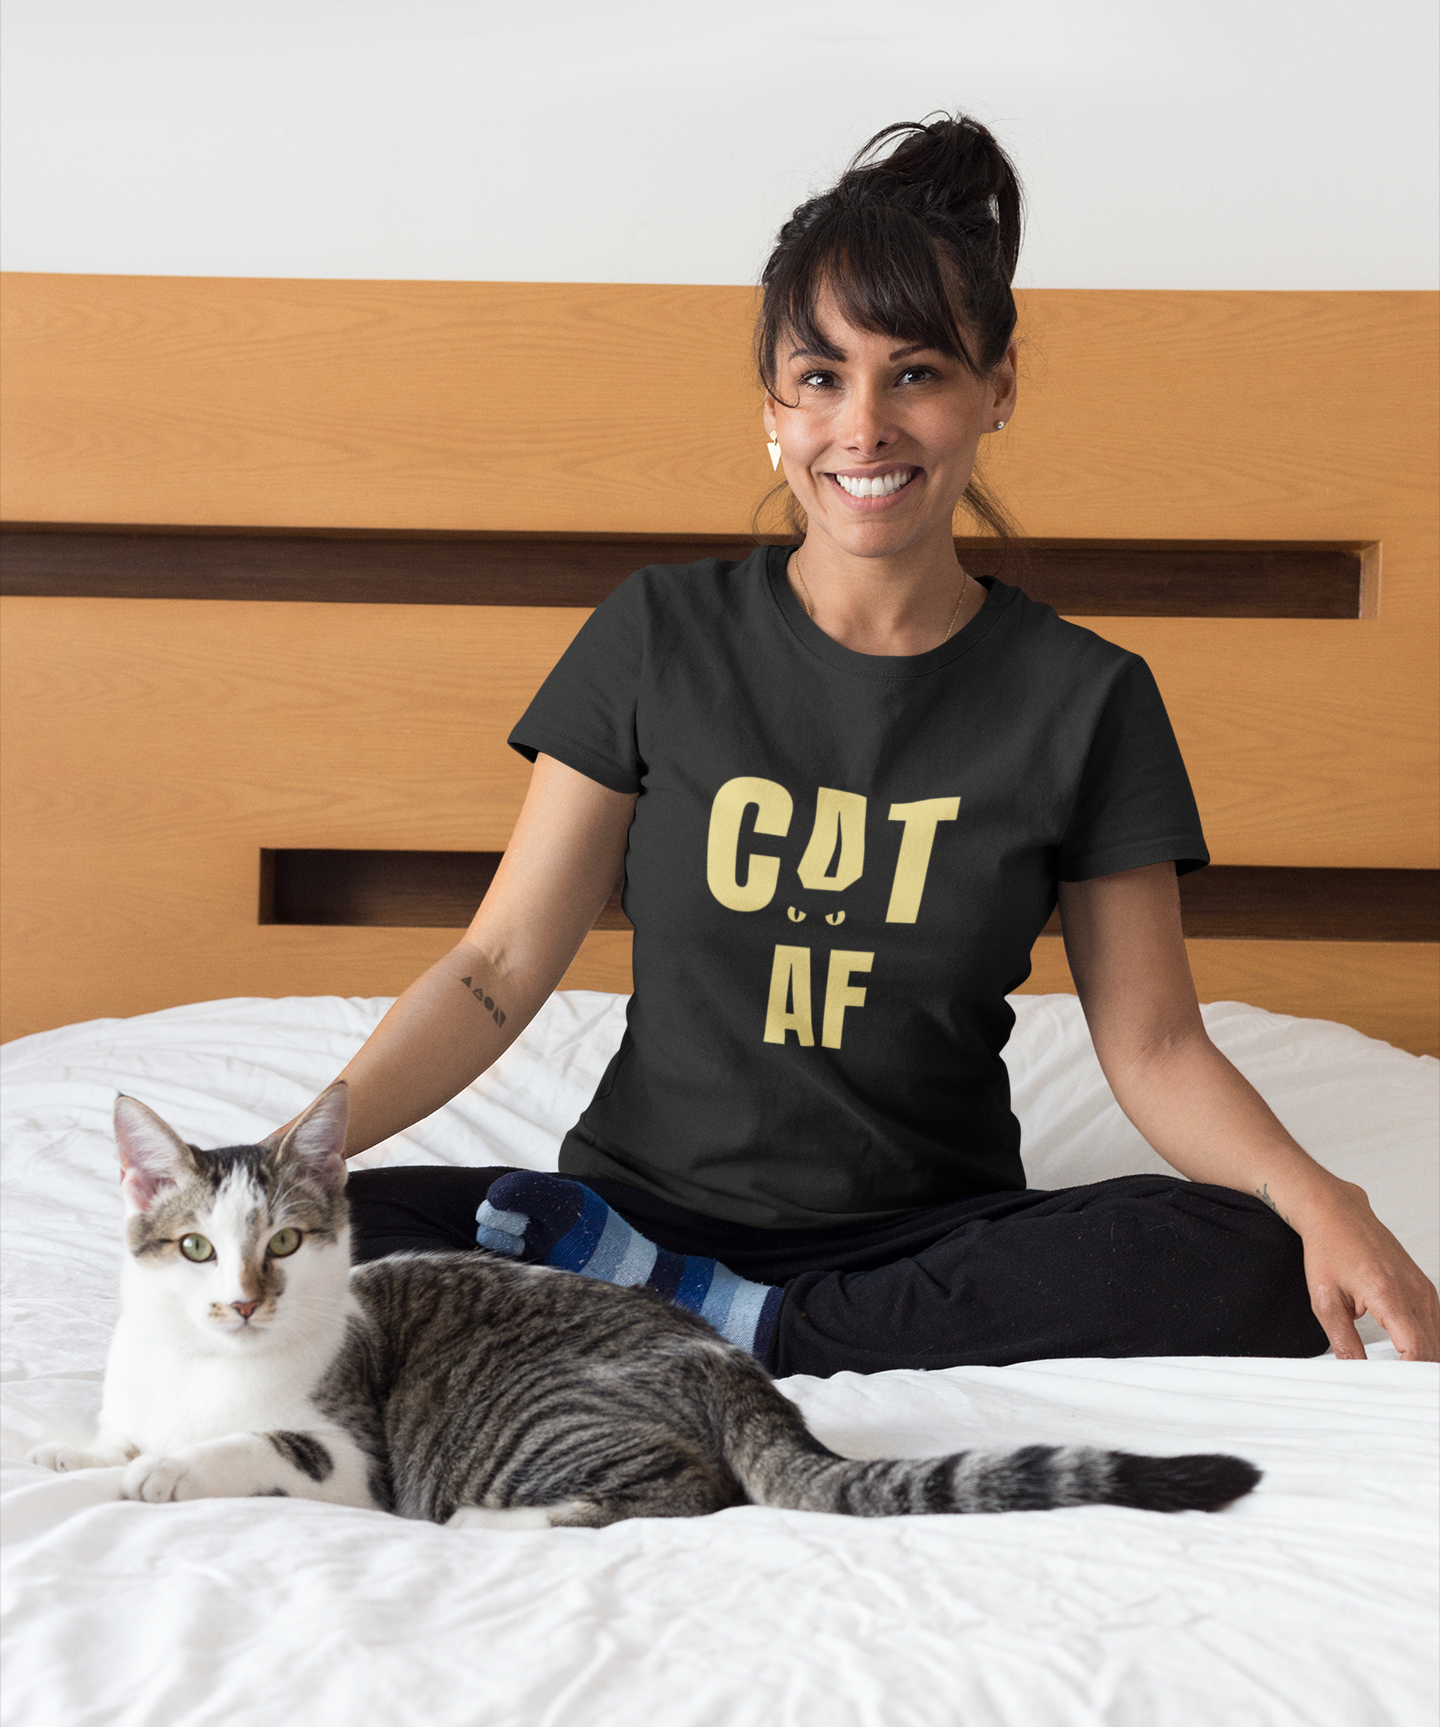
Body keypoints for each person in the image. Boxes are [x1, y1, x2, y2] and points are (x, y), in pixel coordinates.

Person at [316, 114, 1438, 1373]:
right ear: (774, 410)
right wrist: (291, 1154)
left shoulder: (1087, 696)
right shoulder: (656, 633)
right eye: (821, 378)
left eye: (916, 372)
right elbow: (499, 963)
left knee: (1239, 1258)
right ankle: (724, 1309)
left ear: (995, 389)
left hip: (926, 1241)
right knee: (341, 1244)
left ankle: (766, 1326)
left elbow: (1156, 1043)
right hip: (631, 1217)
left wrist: (1316, 1197)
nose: (864, 427)